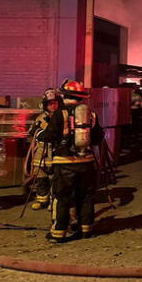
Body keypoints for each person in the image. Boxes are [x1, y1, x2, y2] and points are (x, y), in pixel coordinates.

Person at [38, 80, 103, 243]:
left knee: (63, 197)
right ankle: (86, 230)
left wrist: (39, 134)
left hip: (65, 163)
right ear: (81, 97)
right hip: (86, 163)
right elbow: (97, 139)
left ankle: (58, 233)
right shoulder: (91, 114)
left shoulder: (61, 113)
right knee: (86, 197)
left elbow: (50, 136)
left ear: (64, 96)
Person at [27, 88, 61, 210]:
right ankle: (42, 200)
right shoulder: (40, 118)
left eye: (55, 103)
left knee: (56, 180)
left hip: (57, 152)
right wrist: (39, 131)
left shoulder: (62, 117)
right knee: (41, 177)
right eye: (50, 103)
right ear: (45, 105)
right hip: (41, 153)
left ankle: (54, 202)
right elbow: (31, 132)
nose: (52, 105)